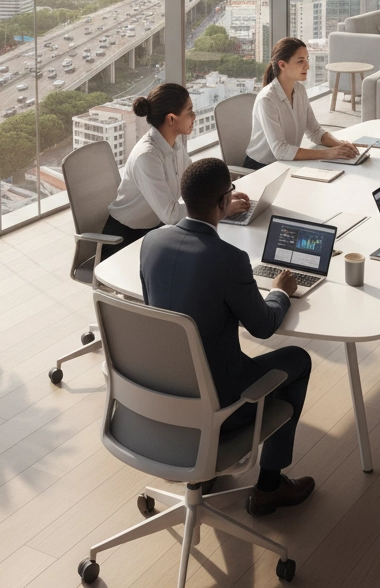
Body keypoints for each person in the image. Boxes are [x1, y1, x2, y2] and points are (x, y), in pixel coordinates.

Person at [140, 158, 315, 516]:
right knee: (298, 359)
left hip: (160, 396)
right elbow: (264, 327)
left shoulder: (151, 242)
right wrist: (279, 292)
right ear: (224, 202)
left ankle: (203, 474)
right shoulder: (229, 260)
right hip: (217, 403)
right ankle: (269, 486)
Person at [103, 83, 250, 255]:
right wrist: (220, 210)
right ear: (171, 119)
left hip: (154, 231)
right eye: (189, 111)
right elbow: (171, 215)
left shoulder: (174, 143)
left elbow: (194, 181)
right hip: (124, 241)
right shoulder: (147, 156)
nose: (194, 116)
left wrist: (223, 196)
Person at [244, 37, 359, 168]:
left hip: (286, 163)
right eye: (300, 61)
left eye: (307, 59)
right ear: (282, 65)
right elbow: (281, 150)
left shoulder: (299, 90)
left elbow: (315, 131)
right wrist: (327, 153)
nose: (307, 66)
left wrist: (341, 145)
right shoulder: (267, 100)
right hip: (260, 168)